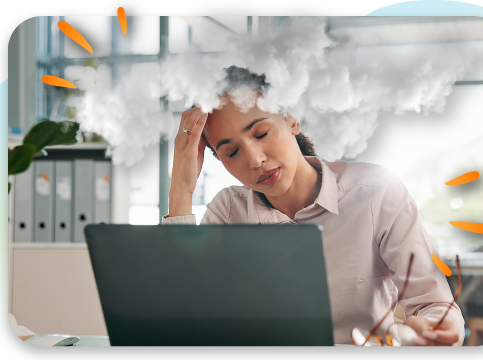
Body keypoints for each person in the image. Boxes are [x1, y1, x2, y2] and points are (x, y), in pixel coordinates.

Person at [162, 66, 465, 346]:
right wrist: (181, 187)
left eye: (262, 133)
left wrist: (438, 328)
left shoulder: (375, 191)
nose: (254, 160)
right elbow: (182, 313)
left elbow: (433, 303)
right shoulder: (228, 211)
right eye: (231, 152)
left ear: (291, 118)